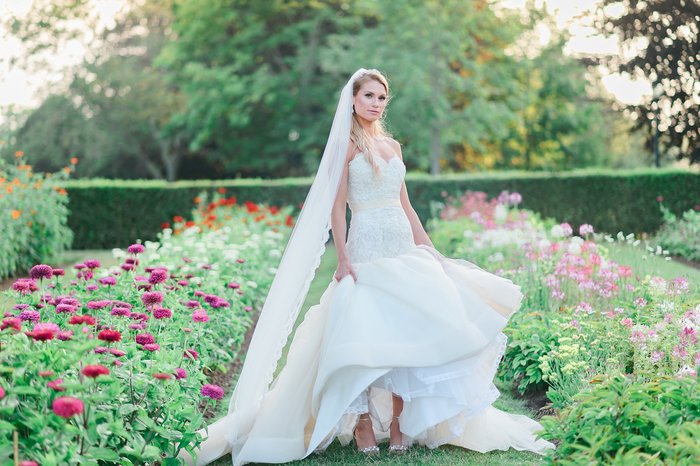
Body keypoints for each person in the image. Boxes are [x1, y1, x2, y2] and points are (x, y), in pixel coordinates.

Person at [179, 68, 555, 466]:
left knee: (405, 333)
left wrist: (432, 252)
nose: (375, 103)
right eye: (369, 96)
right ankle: (360, 421)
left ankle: (397, 423)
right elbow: (337, 209)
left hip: (400, 246)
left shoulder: (393, 146)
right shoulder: (346, 147)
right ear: (353, 100)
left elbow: (406, 206)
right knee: (362, 335)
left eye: (381, 97)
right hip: (365, 249)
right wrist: (342, 257)